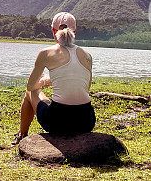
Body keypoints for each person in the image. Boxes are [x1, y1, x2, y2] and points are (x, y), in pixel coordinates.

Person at [12, 12, 95, 145]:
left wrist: (44, 81)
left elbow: (30, 86)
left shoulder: (46, 53)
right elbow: (86, 88)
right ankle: (22, 135)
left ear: (53, 31)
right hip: (86, 122)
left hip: (57, 123)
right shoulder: (87, 55)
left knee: (30, 93)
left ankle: (22, 135)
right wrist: (52, 79)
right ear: (75, 31)